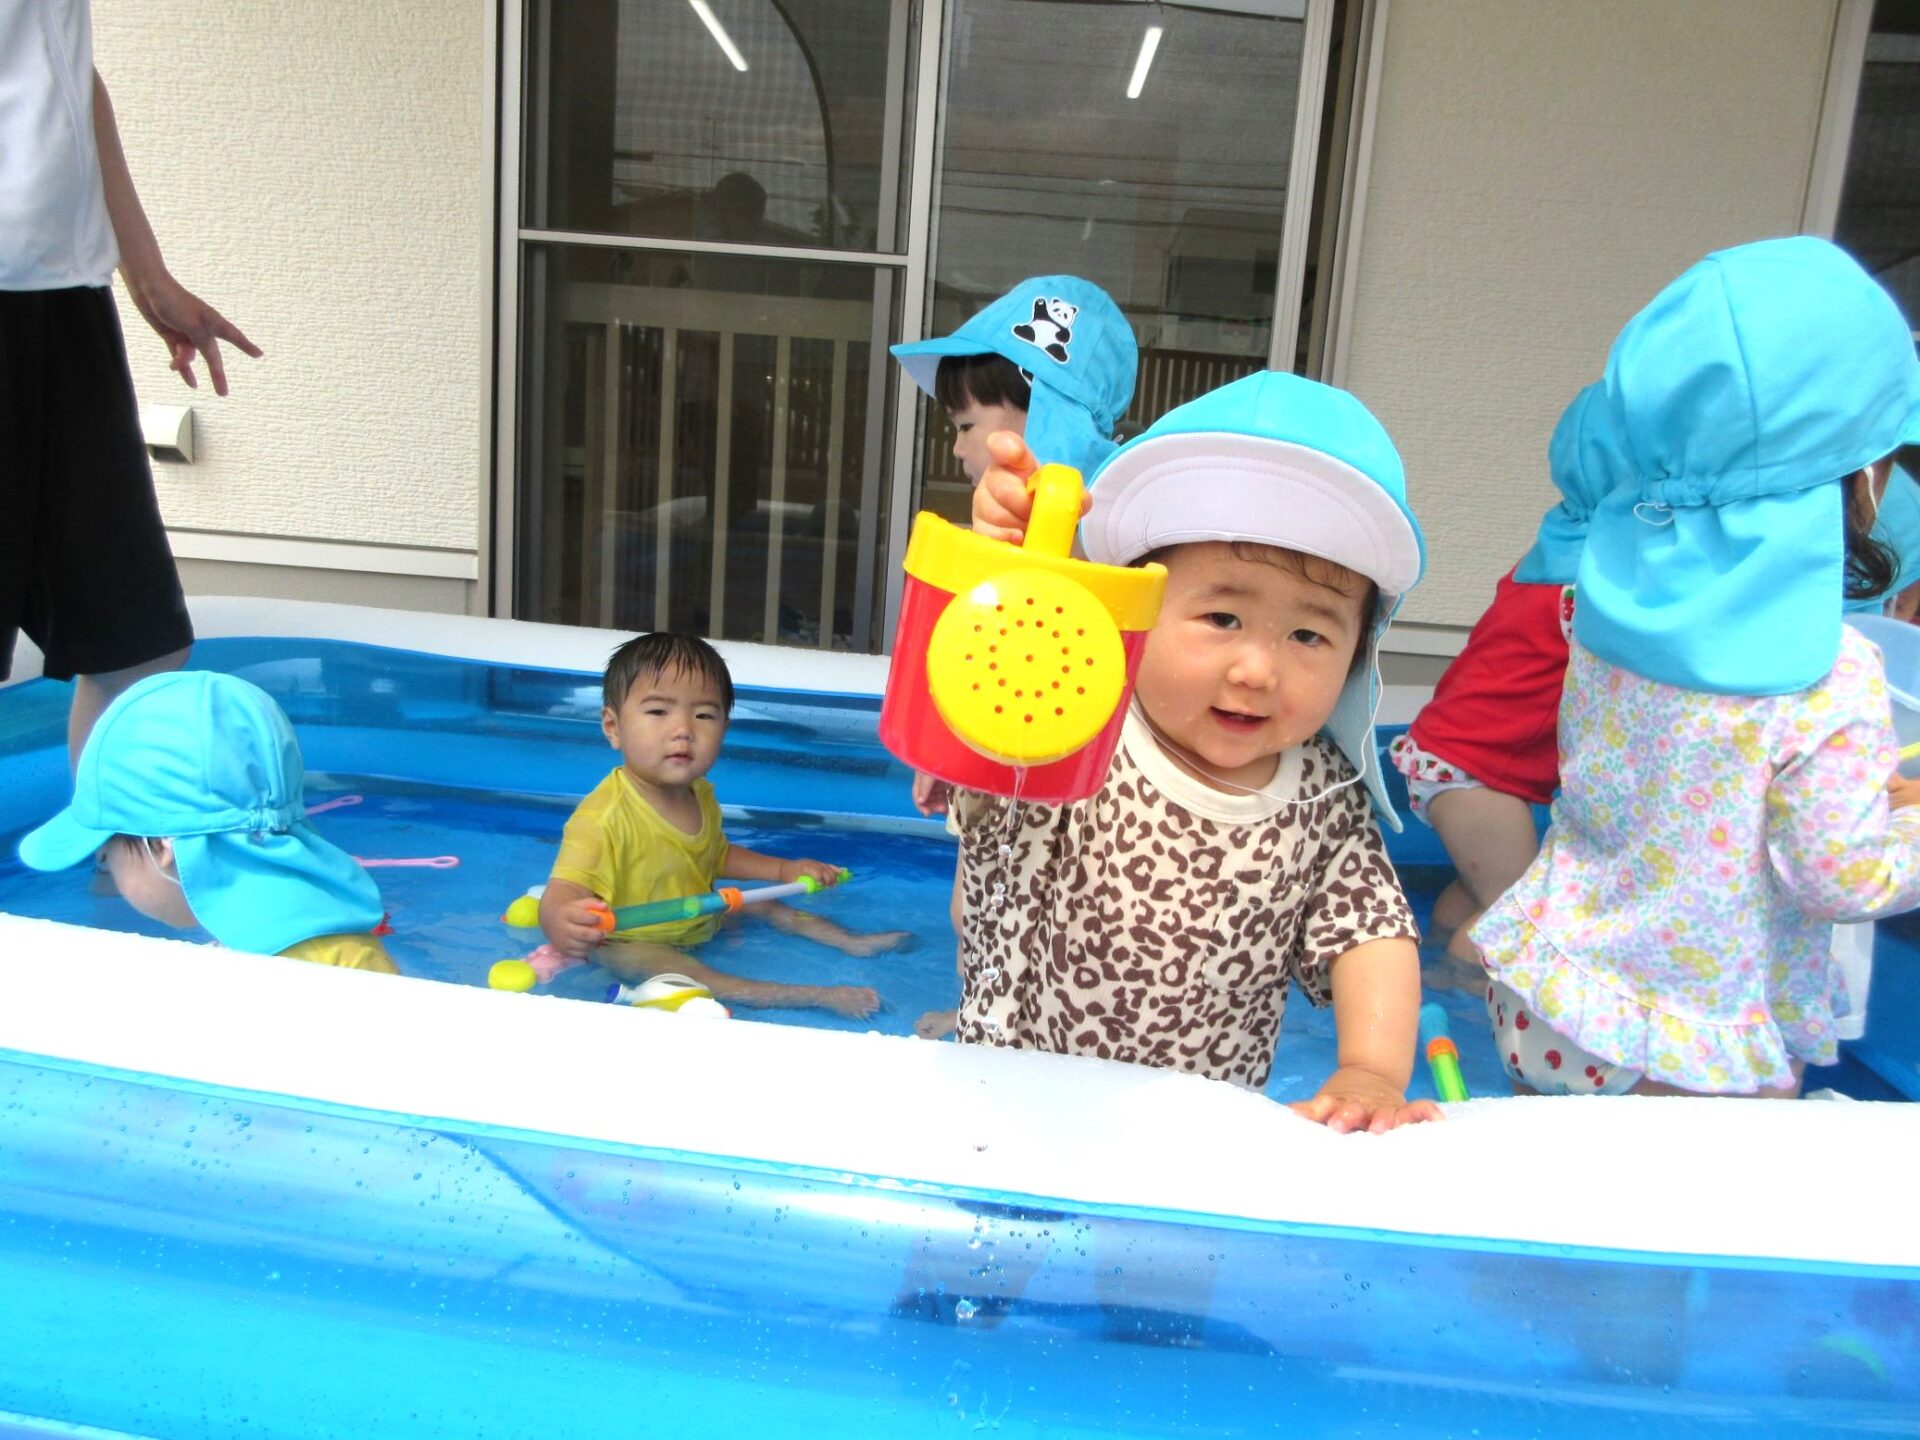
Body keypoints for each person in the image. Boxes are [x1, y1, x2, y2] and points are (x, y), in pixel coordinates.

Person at [1470, 236, 1920, 1097]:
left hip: (1546, 988)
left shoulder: (1610, 597)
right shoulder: (1829, 671)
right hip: (1693, 1041)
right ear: (1866, 477)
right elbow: (1839, 876)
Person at [965, 369, 1439, 1133]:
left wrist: (1370, 1071)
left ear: (1356, 657)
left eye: (1308, 634)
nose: (1257, 669)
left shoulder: (1323, 797)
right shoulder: (1079, 718)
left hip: (1194, 1135)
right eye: (1222, 618)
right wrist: (1011, 576)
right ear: (1138, 609)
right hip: (1012, 1101)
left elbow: (1371, 933)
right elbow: (976, 712)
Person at [1, 1, 262, 765]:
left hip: (65, 296)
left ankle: (106, 842)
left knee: (136, 647)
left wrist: (146, 274)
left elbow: (67, 75)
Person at [889, 276, 1139, 1038]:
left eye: (966, 424)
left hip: (1078, 773)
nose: (958, 446)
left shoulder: (1111, 527)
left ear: (1039, 418)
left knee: (1035, 912)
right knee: (979, 904)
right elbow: (971, 655)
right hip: (1006, 757)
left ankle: (1014, 1025)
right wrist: (946, 751)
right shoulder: (1003, 529)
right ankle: (984, 1011)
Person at [537, 632, 907, 1017]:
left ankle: (851, 942)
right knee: (701, 979)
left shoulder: (699, 794)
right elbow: (564, 887)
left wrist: (784, 869)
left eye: (703, 715)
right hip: (632, 942)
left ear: (724, 729)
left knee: (765, 904)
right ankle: (820, 996)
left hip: (697, 914)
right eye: (659, 712)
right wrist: (559, 920)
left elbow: (715, 854)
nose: (683, 729)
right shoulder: (602, 818)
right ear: (613, 727)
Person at [1387, 383, 1624, 984]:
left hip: (1445, 755)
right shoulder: (1600, 583)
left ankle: (1435, 965)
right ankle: (1463, 995)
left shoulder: (1550, 555)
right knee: (1518, 916)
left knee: (1481, 891)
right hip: (1479, 775)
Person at [16, 671, 398, 973]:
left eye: (105, 856)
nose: (109, 871)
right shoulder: (327, 938)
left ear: (162, 846)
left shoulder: (287, 974)